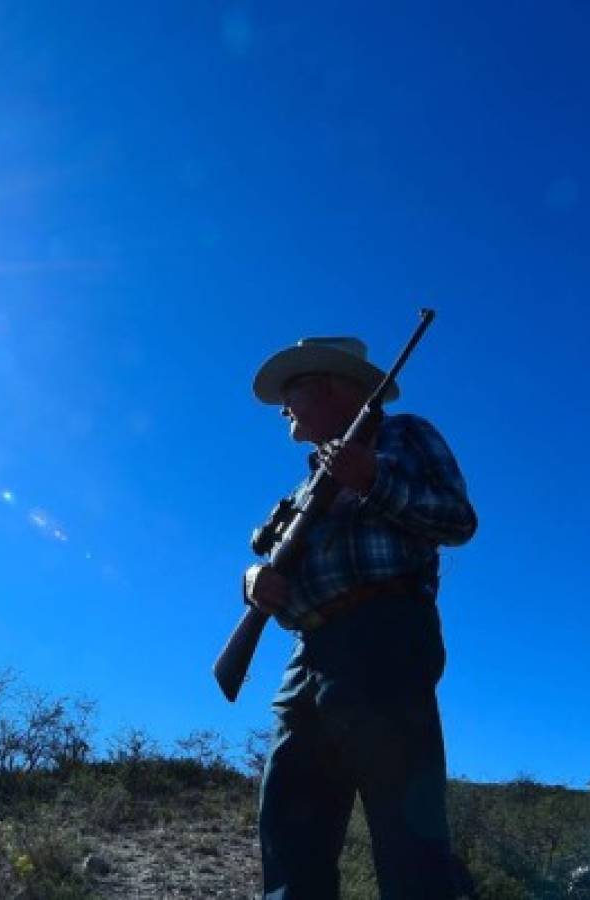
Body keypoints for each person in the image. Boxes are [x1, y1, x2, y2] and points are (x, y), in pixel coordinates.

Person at [244, 336, 478, 899]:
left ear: (332, 386)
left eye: (292, 390)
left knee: (409, 843)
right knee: (290, 838)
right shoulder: (300, 489)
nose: (284, 408)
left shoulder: (404, 434)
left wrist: (371, 478)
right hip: (307, 659)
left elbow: (457, 521)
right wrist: (253, 585)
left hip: (384, 642)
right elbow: (274, 572)